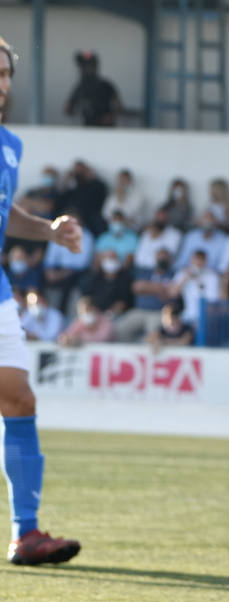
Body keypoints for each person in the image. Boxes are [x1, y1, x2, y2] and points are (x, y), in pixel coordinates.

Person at [0, 37, 83, 566]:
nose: (1, 84)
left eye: (6, 74)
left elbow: (4, 213)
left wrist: (49, 232)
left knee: (20, 400)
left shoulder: (10, 145)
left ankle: (25, 535)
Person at [64, 50, 121, 127]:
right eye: (84, 66)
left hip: (106, 131)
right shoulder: (80, 87)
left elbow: (119, 107)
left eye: (89, 65)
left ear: (95, 67)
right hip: (88, 129)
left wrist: (111, 116)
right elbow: (68, 109)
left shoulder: (106, 85)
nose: (86, 69)